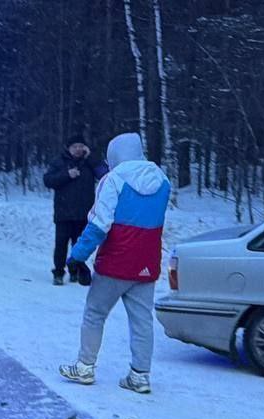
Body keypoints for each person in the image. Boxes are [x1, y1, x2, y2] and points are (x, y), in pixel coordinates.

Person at [59, 132, 171, 394]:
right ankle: (140, 376)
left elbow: (99, 225)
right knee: (142, 321)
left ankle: (85, 367)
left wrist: (77, 256)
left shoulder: (114, 179)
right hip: (147, 263)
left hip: (115, 262)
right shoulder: (162, 180)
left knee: (95, 313)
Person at [42, 134, 107, 285]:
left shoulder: (89, 163)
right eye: (74, 147)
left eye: (80, 146)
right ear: (68, 148)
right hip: (63, 213)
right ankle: (58, 273)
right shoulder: (59, 162)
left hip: (83, 212)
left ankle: (75, 271)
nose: (78, 149)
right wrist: (67, 175)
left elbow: (105, 175)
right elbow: (48, 180)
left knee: (79, 245)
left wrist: (91, 158)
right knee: (61, 245)